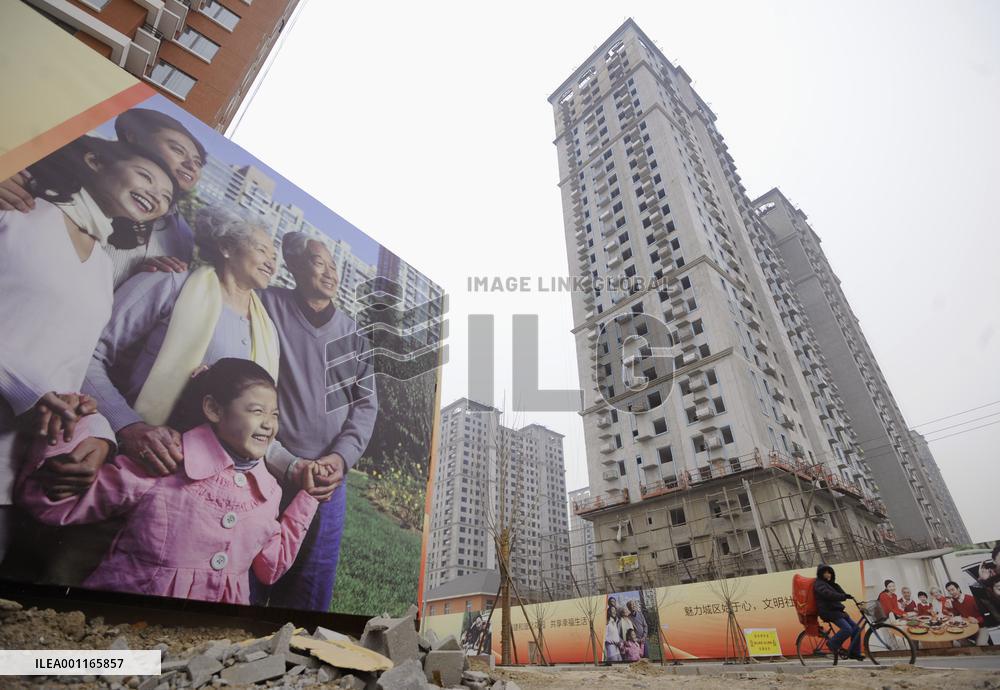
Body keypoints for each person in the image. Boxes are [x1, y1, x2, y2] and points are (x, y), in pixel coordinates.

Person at [16, 359, 328, 604]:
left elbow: (270, 567)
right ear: (214, 409)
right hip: (129, 626)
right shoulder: (164, 464)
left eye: (274, 414)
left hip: (207, 645)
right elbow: (54, 506)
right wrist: (69, 428)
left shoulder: (268, 492)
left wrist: (308, 498)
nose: (269, 424)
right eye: (257, 410)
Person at [0, 136, 176, 563]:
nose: (156, 194)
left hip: (6, 476)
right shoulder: (17, 214)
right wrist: (27, 391)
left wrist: (98, 440)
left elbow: (70, 371)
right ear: (95, 160)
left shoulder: (101, 267)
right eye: (146, 176)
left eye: (167, 197)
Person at [249, 232, 377, 611]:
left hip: (327, 479)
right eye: (319, 262)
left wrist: (339, 460)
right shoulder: (266, 305)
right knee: (249, 570)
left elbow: (366, 406)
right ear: (293, 265)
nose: (330, 273)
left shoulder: (354, 335)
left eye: (334, 266)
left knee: (311, 582)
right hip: (269, 466)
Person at [0, 109, 205, 287]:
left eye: (197, 162)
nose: (191, 165)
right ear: (133, 136)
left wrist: (142, 279)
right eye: (177, 150)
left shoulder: (182, 237)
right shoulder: (44, 164)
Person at [813, 564, 863, 661]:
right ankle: (832, 643)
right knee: (847, 629)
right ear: (821, 574)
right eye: (825, 572)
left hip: (837, 611)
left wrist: (847, 595)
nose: (828, 574)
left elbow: (840, 593)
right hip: (828, 611)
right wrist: (842, 596)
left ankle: (854, 652)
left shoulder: (830, 584)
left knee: (856, 629)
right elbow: (828, 594)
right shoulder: (819, 584)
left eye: (829, 572)